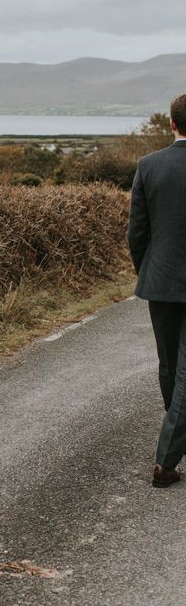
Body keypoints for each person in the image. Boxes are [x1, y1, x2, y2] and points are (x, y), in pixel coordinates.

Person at [128, 93, 186, 488]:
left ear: (171, 123)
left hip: (161, 282)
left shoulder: (149, 166)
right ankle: (168, 456)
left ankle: (172, 440)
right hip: (165, 282)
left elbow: (137, 232)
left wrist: (149, 272)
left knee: (170, 366)